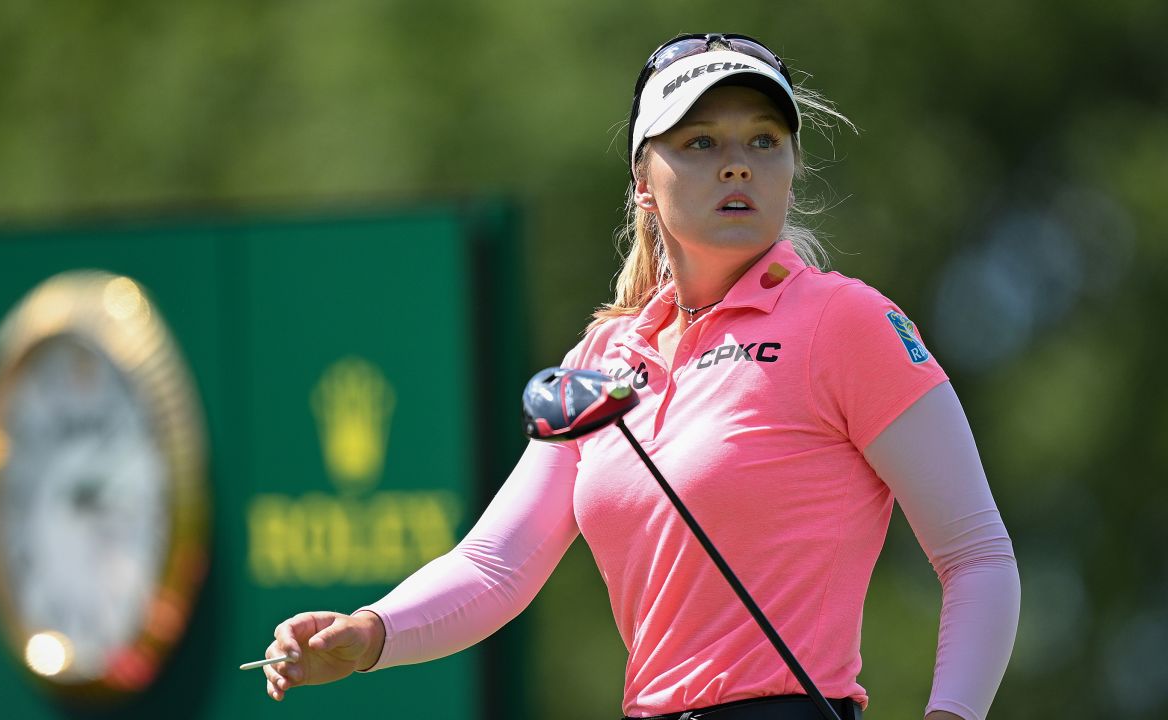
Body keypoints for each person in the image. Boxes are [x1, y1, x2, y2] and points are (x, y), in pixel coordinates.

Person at [261, 33, 1020, 720]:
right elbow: (496, 566)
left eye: (764, 140)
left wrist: (951, 717)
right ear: (641, 181)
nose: (736, 163)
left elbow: (977, 557)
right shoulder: (602, 359)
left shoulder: (844, 322)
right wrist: (369, 634)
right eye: (698, 142)